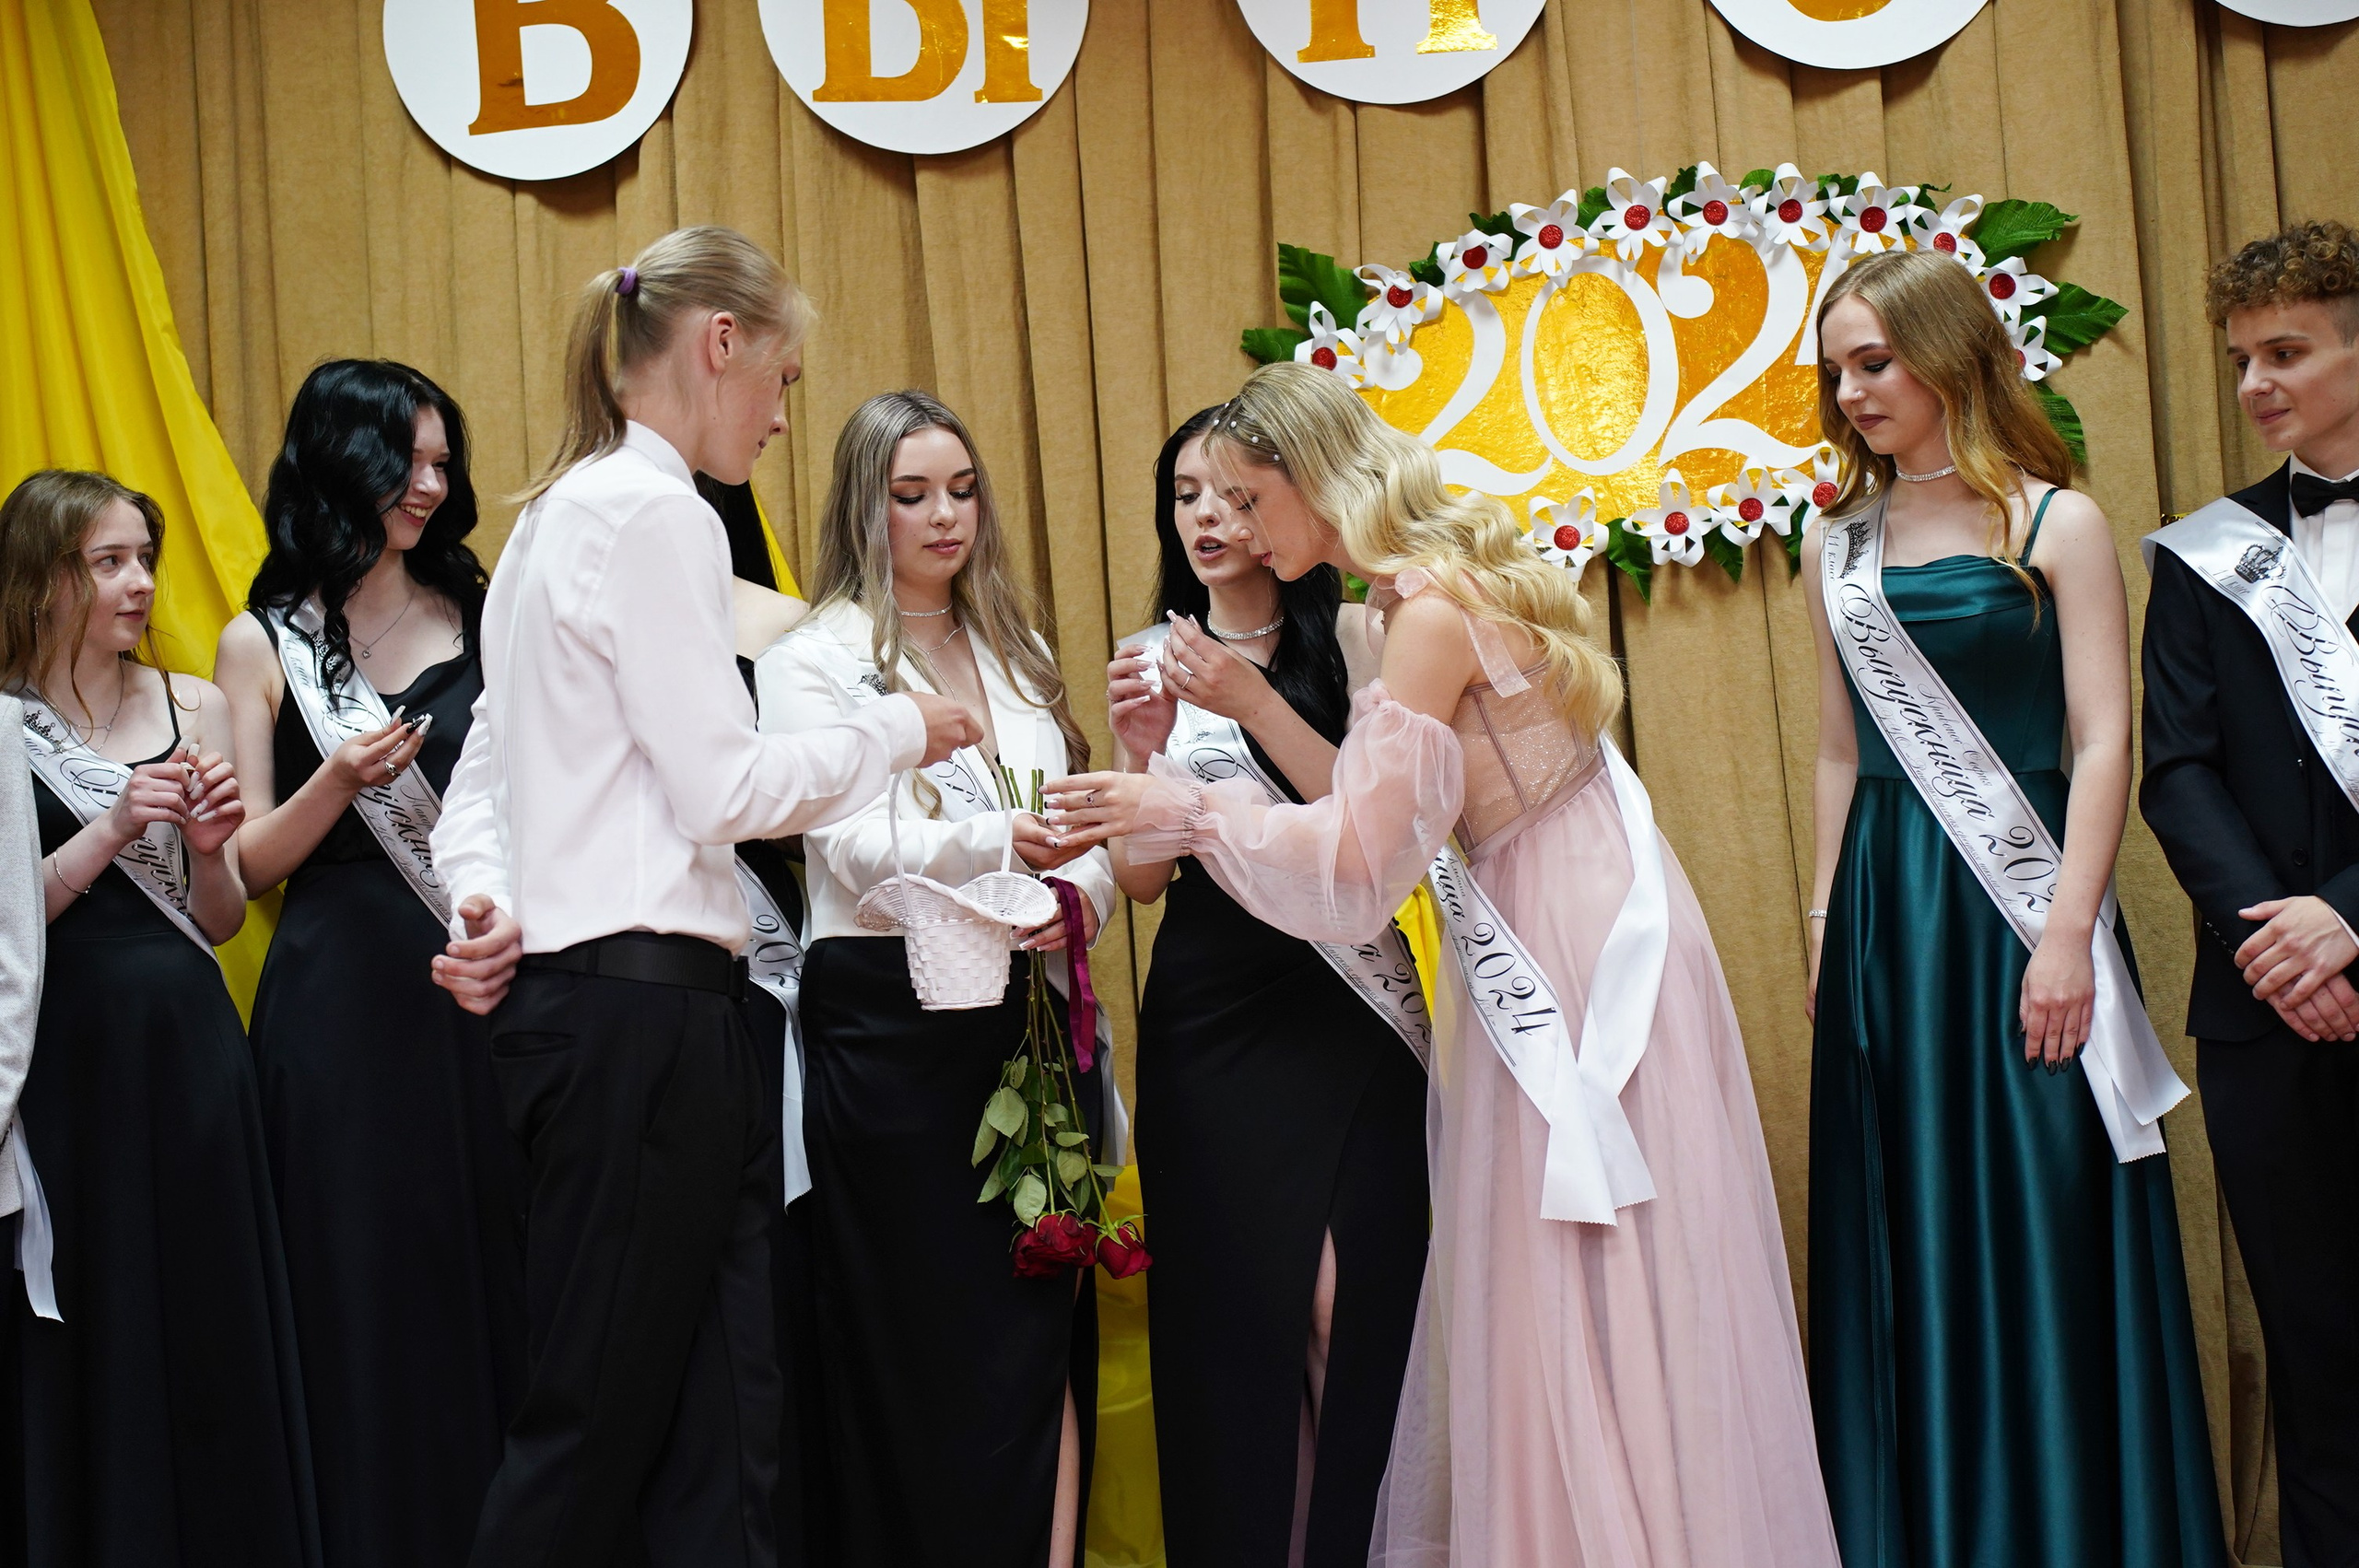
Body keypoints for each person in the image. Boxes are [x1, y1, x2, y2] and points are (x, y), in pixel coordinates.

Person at [1047, 363, 1838, 1566]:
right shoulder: (1401, 599)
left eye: (1257, 501)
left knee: (1582, 1250)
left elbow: (1362, 864)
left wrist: (1189, 810)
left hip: (1567, 937)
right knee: (1573, 1258)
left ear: (1317, 485)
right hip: (1563, 896)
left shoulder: (1418, 616)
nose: (1245, 532)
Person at [426, 229, 980, 1568]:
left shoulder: (557, 513)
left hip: (635, 1015)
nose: (785, 415)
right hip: (639, 1023)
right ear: (717, 344)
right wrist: (903, 732)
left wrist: (485, 898)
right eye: (779, 378)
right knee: (605, 1429)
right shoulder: (657, 510)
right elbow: (720, 789)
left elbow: (480, 784)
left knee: (720, 1419)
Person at [1801, 250, 2224, 1566]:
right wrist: (1826, 931)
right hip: (1888, 910)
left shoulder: (2058, 523)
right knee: (1905, 1222)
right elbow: (1831, 750)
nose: (1853, 390)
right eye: (1838, 369)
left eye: (1874, 360)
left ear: (1945, 350)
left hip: (2023, 903)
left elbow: (2107, 741)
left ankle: (2068, 1524)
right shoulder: (1839, 543)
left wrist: (2064, 932)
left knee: (2045, 1206)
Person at [756, 390, 1115, 1568]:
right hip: (889, 1032)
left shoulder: (1019, 647)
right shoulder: (811, 662)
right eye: (912, 494)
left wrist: (1078, 892)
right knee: (915, 1342)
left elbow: (1084, 833)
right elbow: (847, 847)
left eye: (961, 489)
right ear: (865, 505)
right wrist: (1001, 849)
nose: (944, 515)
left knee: (1038, 1319)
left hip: (1025, 1009)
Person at [214, 360, 523, 1568]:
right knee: (353, 1296)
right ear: (345, 460)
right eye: (413, 460)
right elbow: (240, 868)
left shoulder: (486, 616)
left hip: (480, 992)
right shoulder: (265, 642)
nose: (436, 486)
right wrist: (335, 779)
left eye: (445, 463)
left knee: (494, 1279)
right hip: (334, 1014)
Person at [1106, 407, 1425, 1568]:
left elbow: (1373, 820)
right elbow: (1138, 879)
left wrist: (1250, 706)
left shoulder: (1351, 631)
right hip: (1211, 1013)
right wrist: (1136, 751)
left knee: (1351, 1304)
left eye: (1232, 494)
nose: (1206, 516)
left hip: (1348, 1005)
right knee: (1243, 1326)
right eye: (1184, 493)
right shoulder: (1151, 656)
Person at [0, 469, 320, 1565]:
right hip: (61, 1061)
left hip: (187, 1049)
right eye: (109, 561)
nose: (138, 582)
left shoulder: (197, 704)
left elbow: (223, 916)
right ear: (45, 578)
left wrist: (196, 846)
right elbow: (7, 916)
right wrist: (108, 831)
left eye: (145, 557)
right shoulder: (3, 723)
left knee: (202, 1310)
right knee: (94, 1321)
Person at [2142, 219, 2359, 1567]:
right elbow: (2176, 770)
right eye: (2240, 359)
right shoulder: (2205, 554)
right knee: (2319, 1348)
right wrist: (2285, 942)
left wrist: (2353, 913)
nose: (2254, 384)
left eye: (2285, 352)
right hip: (2267, 1011)